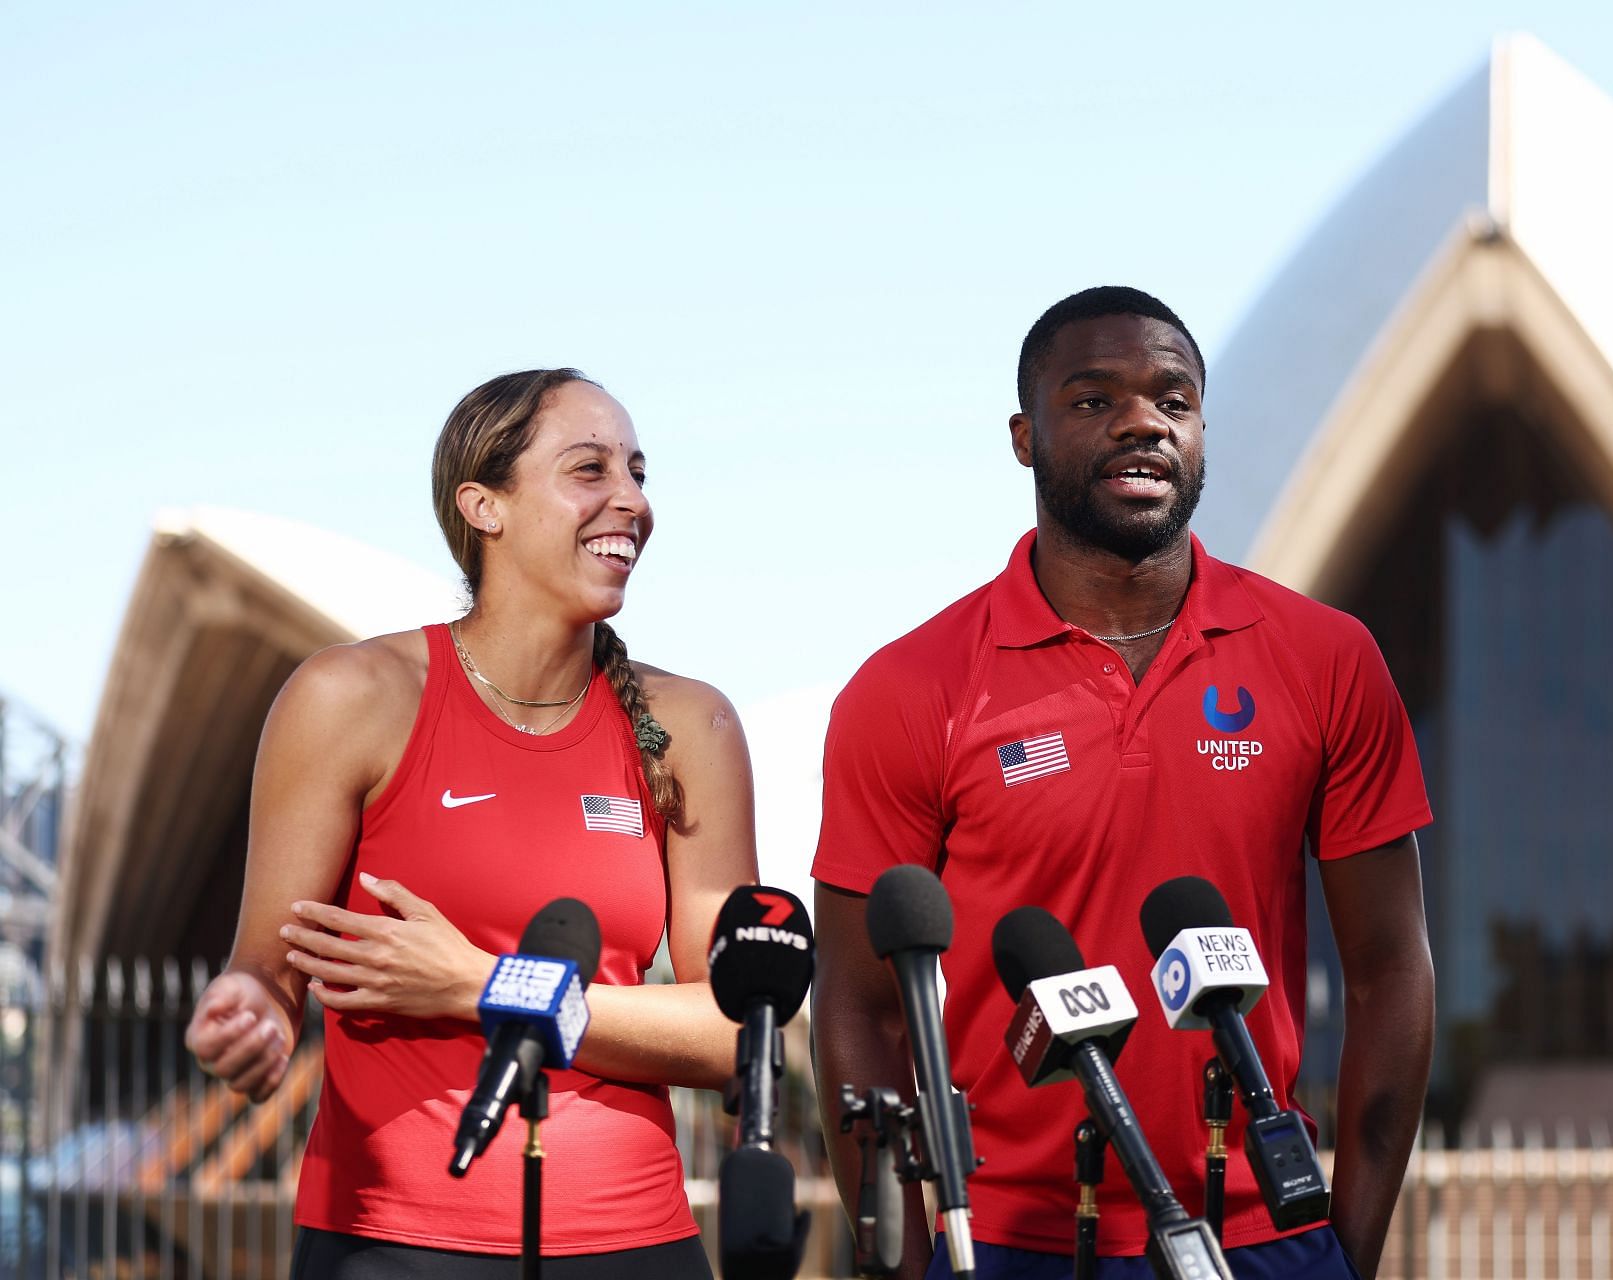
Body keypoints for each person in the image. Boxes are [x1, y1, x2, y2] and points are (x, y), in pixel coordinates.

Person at [811, 288, 1434, 1280]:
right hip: (1007, 1246)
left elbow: (1391, 971)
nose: (1143, 420)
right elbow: (858, 1003)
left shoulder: (1327, 658)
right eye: (1095, 400)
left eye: (1172, 399)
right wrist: (906, 1252)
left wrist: (1343, 1251)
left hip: (1268, 1239)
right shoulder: (909, 688)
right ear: (1025, 436)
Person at [183, 369, 755, 1277]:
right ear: (483, 505)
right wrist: (247, 1013)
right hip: (385, 1241)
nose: (633, 502)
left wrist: (490, 984)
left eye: (639, 472)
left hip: (632, 1241)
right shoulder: (350, 698)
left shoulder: (695, 726)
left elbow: (736, 1030)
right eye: (590, 470)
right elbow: (268, 971)